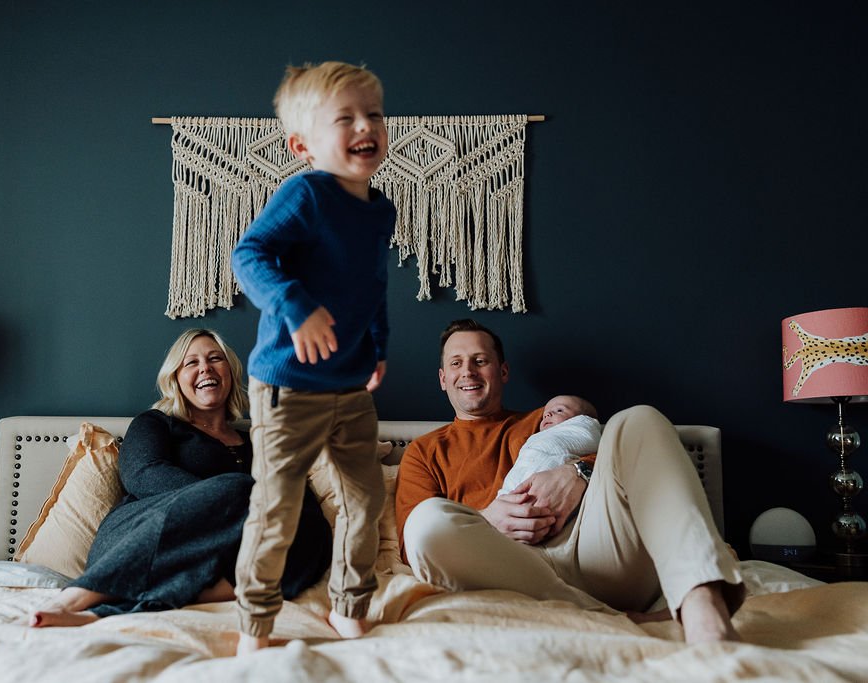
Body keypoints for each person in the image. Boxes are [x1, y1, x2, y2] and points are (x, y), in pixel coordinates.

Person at [395, 319, 745, 644]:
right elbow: (412, 550)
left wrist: (578, 473)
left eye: (480, 360)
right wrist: (487, 518)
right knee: (425, 521)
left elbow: (624, 460)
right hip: (507, 570)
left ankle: (703, 607)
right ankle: (609, 617)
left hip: (593, 551)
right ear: (443, 378)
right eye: (456, 363)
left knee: (638, 419)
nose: (468, 371)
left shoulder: (552, 419)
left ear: (502, 371)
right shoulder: (424, 452)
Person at [230, 60, 396, 653]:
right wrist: (295, 305)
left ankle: (349, 606)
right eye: (344, 118)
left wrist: (377, 347)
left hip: (349, 387)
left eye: (373, 114)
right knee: (277, 508)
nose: (365, 126)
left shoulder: (380, 209)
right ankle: (255, 624)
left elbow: (371, 286)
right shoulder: (305, 195)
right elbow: (249, 254)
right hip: (288, 387)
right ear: (303, 146)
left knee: (365, 500)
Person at [31, 328, 330, 628]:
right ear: (175, 379)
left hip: (224, 554)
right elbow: (142, 474)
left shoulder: (259, 441)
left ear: (230, 372)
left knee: (310, 525)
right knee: (245, 489)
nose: (205, 368)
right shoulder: (156, 423)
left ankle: (120, 609)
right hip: (141, 538)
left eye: (215, 358)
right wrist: (227, 499)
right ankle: (76, 596)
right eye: (191, 363)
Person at [496, 395, 600, 496]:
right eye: (544, 415)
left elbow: (588, 437)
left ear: (581, 418)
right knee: (506, 492)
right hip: (523, 467)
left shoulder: (582, 427)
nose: (547, 415)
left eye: (559, 410)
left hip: (548, 470)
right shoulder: (534, 436)